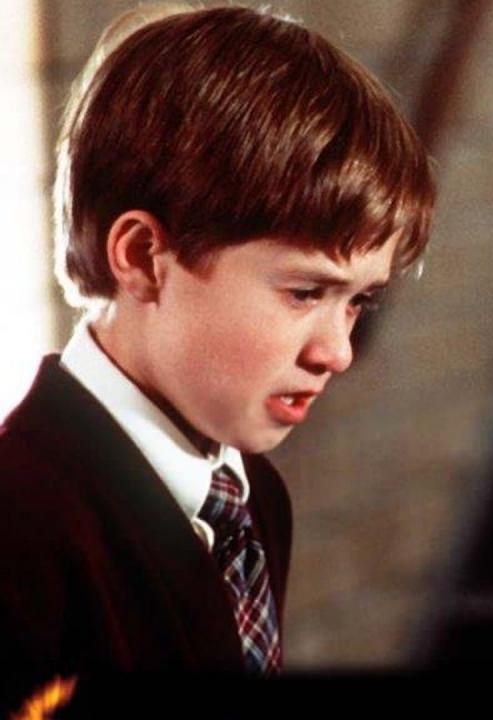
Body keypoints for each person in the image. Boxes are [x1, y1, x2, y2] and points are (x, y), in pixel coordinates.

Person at [0, 4, 433, 689]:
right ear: (142, 257)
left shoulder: (253, 496)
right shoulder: (19, 528)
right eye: (304, 293)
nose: (338, 352)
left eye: (358, 302)